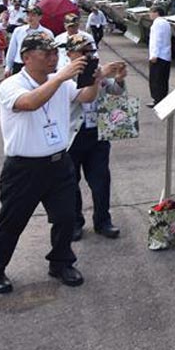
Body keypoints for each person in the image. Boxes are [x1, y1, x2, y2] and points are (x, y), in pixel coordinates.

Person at [0, 33, 123, 294]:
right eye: (46, 54)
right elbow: (30, 103)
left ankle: (61, 262)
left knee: (66, 217)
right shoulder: (11, 85)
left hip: (58, 163)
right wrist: (59, 77)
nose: (53, 58)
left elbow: (87, 97)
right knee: (12, 222)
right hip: (24, 168)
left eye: (55, 53)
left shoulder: (61, 84)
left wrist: (95, 77)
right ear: (26, 58)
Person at [64, 34, 126, 240]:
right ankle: (74, 222)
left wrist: (118, 79)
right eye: (82, 52)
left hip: (96, 132)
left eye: (90, 51)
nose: (87, 56)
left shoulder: (97, 70)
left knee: (101, 180)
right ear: (70, 54)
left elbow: (115, 93)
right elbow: (77, 94)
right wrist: (97, 76)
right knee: (71, 182)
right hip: (73, 134)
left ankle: (103, 220)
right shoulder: (62, 74)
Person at [4, 6, 53, 77]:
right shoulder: (18, 30)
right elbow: (12, 49)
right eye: (28, 15)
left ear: (40, 17)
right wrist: (8, 66)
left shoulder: (47, 33)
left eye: (33, 15)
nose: (30, 18)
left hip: (37, 65)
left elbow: (50, 52)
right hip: (19, 63)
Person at [147, 5, 171, 107]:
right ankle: (162, 99)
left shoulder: (157, 23)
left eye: (151, 12)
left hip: (158, 56)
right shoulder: (165, 23)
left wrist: (154, 55)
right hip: (165, 56)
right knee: (163, 79)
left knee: (155, 79)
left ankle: (157, 100)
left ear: (156, 13)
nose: (149, 14)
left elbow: (156, 40)